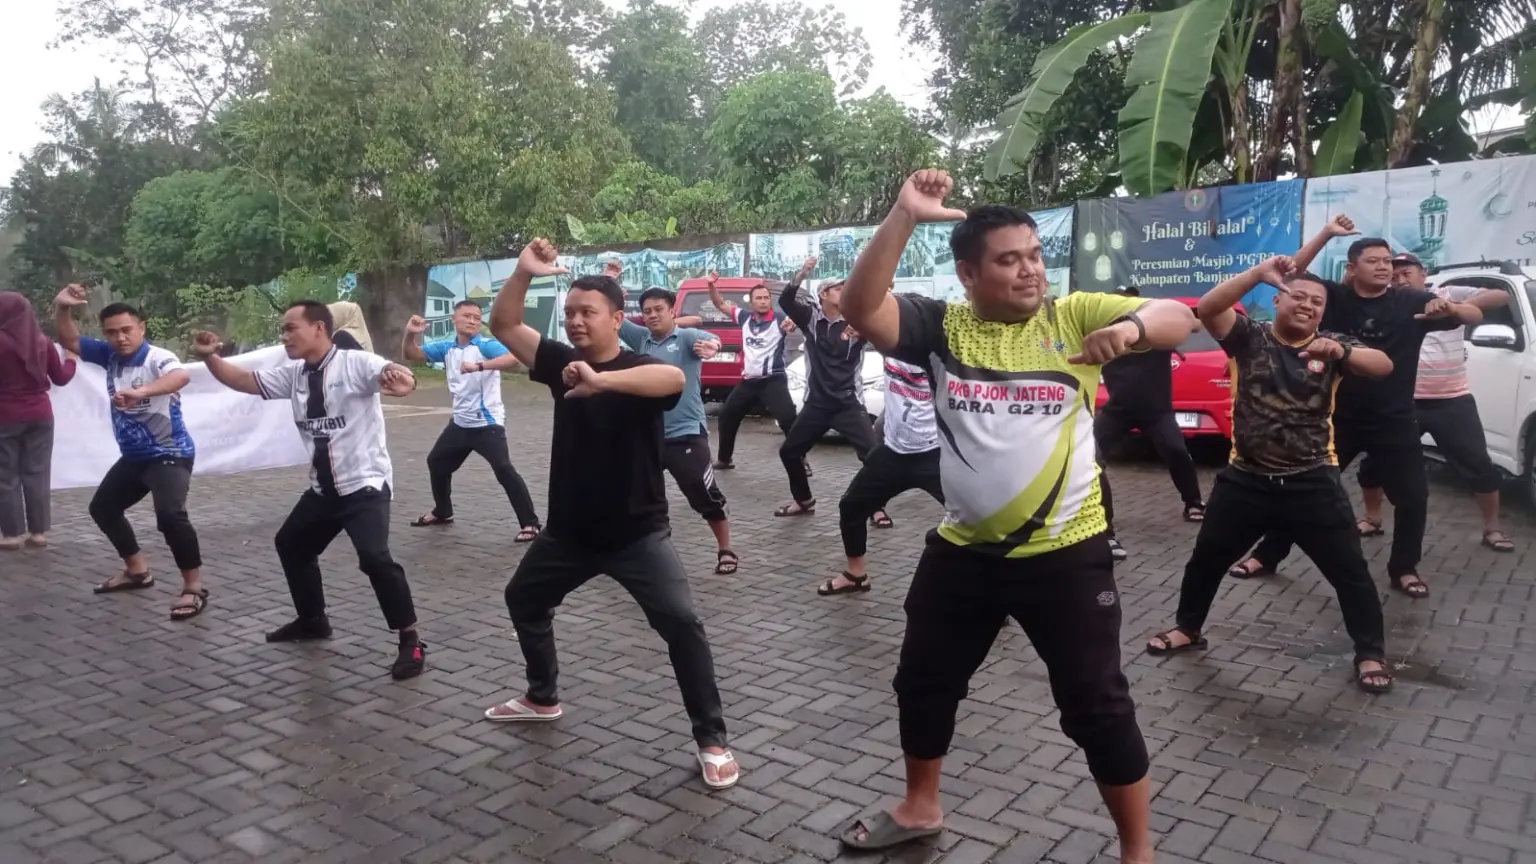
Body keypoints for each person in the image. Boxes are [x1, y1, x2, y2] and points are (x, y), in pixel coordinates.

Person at [836, 169, 1195, 861]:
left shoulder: (1071, 315)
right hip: (961, 554)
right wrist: (904, 215)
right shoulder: (941, 327)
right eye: (1009, 259)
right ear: (968, 273)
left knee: (1098, 707)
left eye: (1034, 254)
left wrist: (1130, 326)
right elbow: (860, 306)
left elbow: (1180, 316)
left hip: (1067, 555)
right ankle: (919, 807)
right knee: (923, 681)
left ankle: (1138, 853)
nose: (1030, 270)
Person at [483, 239, 739, 791]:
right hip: (569, 535)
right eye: (570, 312)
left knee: (682, 625)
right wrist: (524, 273)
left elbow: (669, 382)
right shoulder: (557, 362)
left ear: (617, 319)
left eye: (587, 312)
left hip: (637, 534)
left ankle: (712, 740)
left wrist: (600, 381)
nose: (575, 321)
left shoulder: (641, 366)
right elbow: (504, 324)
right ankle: (542, 696)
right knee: (523, 598)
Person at [1144, 257, 1396, 696]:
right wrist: (1256, 274)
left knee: (1350, 573)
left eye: (1317, 302)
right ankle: (1189, 628)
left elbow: (1383, 367)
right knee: (1206, 560)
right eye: (1299, 296)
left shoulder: (1333, 345)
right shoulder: (1249, 337)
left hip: (1313, 480)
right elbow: (1208, 308)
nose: (1308, 306)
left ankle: (1370, 652)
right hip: (1246, 480)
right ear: (1277, 299)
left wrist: (1344, 352)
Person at [1231, 219, 1482, 599]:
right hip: (1337, 419)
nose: (1384, 267)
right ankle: (1267, 555)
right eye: (1374, 261)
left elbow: (1475, 316)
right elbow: (1291, 274)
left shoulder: (1411, 301)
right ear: (1352, 268)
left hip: (1395, 419)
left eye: (1388, 262)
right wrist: (1327, 233)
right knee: (1303, 492)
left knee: (1413, 497)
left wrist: (1452, 307)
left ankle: (1404, 568)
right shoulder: (1333, 299)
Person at [194, 302, 426, 679]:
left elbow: (389, 372)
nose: (284, 337)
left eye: (291, 328)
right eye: (282, 330)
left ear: (319, 327)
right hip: (323, 491)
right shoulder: (295, 375)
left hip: (364, 484)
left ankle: (410, 641)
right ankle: (313, 620)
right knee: (291, 543)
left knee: (374, 558)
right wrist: (210, 359)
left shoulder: (354, 363)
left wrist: (403, 379)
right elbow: (244, 382)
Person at [54, 285, 208, 621]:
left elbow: (180, 375)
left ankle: (193, 588)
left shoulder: (157, 357)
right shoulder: (108, 355)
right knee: (103, 508)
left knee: (170, 516)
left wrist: (141, 392)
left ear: (142, 327)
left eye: (126, 330)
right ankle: (137, 571)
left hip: (169, 453)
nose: (120, 338)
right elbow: (70, 342)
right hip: (135, 457)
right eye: (112, 333)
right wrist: (62, 308)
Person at [1355, 252, 1513, 553]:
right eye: (1396, 273)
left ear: (1423, 273)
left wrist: (1452, 307)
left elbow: (1500, 296)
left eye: (1408, 272)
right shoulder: (1389, 304)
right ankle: (1372, 518)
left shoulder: (1448, 292)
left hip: (1451, 401)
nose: (1401, 278)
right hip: (1402, 404)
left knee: (1479, 465)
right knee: (1374, 464)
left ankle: (1493, 528)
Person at [619, 287, 740, 575]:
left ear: (672, 310)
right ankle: (636, 550)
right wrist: (611, 284)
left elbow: (711, 340)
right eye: (647, 311)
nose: (652, 315)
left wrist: (713, 347)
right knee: (633, 493)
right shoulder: (640, 339)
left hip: (685, 432)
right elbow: (616, 318)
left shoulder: (685, 337)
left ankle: (725, 549)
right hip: (648, 435)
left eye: (658, 309)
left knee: (701, 492)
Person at [402, 302, 541, 540]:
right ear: (454, 320)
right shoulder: (447, 348)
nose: (473, 321)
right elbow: (412, 354)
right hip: (460, 424)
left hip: (487, 424)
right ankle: (443, 512)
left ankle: (531, 524)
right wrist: (410, 334)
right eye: (466, 316)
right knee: (436, 463)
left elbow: (514, 359)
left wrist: (479, 366)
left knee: (504, 470)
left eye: (477, 317)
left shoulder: (485, 345)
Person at [818, 349, 942, 597]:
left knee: (976, 520)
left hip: (937, 454)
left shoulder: (944, 353)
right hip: (893, 453)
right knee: (851, 507)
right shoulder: (891, 346)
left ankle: (991, 596)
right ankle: (856, 574)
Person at [1094, 289, 1206, 560]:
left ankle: (1193, 503)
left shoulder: (1156, 334)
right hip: (1117, 411)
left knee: (1176, 451)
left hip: (1156, 412)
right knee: (1089, 459)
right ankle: (1102, 528)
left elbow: (1196, 324)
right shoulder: (1104, 337)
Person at [773, 259, 881, 519]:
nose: (845, 292)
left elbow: (883, 329)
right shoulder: (811, 318)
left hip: (848, 404)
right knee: (789, 452)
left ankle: (876, 507)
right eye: (839, 288)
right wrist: (801, 274)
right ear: (824, 294)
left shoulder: (858, 320)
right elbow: (786, 302)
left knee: (874, 457)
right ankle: (803, 499)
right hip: (817, 406)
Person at [0, 292, 77, 550]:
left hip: (5, 416)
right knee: (37, 473)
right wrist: (71, 360)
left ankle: (10, 535)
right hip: (41, 415)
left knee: (5, 475)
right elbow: (62, 378)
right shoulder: (42, 342)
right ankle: (38, 533)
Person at [705, 271, 802, 471]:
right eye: (759, 298)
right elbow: (720, 305)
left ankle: (800, 459)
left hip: (773, 380)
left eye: (766, 298)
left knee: (787, 419)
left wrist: (791, 325)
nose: (763, 301)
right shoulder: (744, 317)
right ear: (752, 302)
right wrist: (711, 286)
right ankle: (724, 459)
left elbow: (790, 325)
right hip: (749, 381)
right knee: (727, 416)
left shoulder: (779, 318)